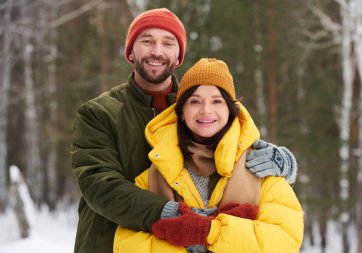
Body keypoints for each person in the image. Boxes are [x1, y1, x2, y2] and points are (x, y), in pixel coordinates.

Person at [71, 8, 298, 253]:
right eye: (147, 41)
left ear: (179, 56)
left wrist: (282, 163)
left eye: (168, 43)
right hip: (108, 242)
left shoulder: (197, 106)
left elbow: (237, 144)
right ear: (130, 51)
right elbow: (100, 186)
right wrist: (172, 216)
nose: (157, 51)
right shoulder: (99, 113)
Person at [114, 58, 304, 253]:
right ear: (181, 112)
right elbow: (127, 243)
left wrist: (209, 233)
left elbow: (285, 240)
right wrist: (188, 245)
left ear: (230, 110)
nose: (206, 110)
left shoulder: (262, 166)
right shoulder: (157, 172)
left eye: (217, 101)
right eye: (195, 101)